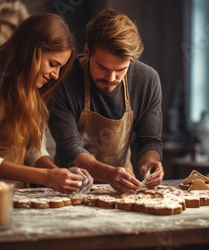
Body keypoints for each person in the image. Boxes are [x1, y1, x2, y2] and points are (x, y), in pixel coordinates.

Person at [0, 13, 89, 194]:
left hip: (15, 194)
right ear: (30, 51)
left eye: (60, 67)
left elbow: (34, 151)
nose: (56, 74)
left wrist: (59, 173)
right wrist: (47, 177)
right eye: (53, 64)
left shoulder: (33, 89)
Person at [48, 8, 164, 194]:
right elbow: (69, 148)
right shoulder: (63, 79)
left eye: (121, 70)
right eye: (102, 67)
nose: (111, 78)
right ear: (87, 51)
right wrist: (109, 174)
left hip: (121, 189)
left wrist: (149, 162)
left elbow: (149, 139)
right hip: (69, 186)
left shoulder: (147, 80)